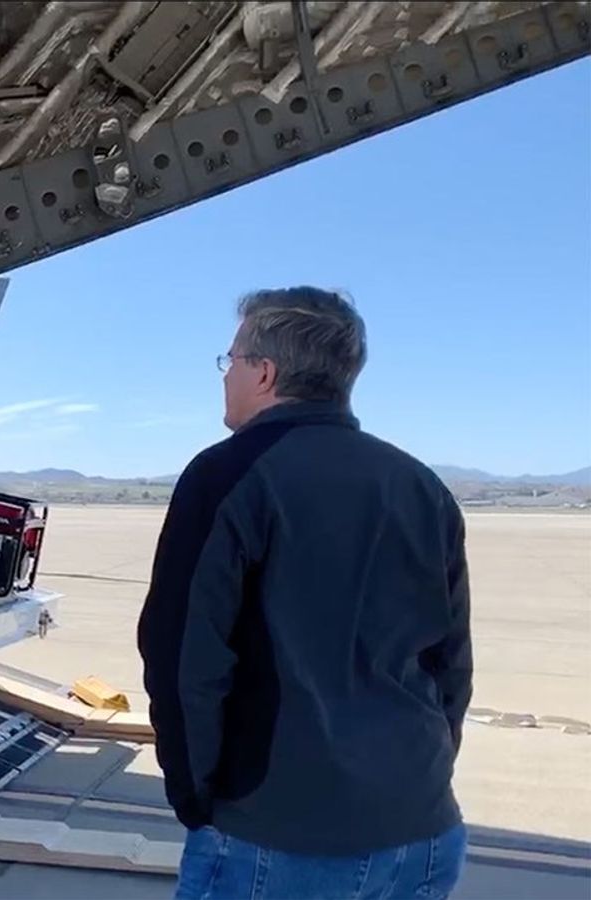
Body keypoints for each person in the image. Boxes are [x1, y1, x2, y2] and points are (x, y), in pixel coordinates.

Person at [136, 287, 472, 900]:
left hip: (275, 839)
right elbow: (450, 663)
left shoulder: (226, 475)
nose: (225, 376)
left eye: (230, 360)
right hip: (423, 827)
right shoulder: (422, 487)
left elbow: (183, 655)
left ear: (264, 372)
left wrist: (199, 797)